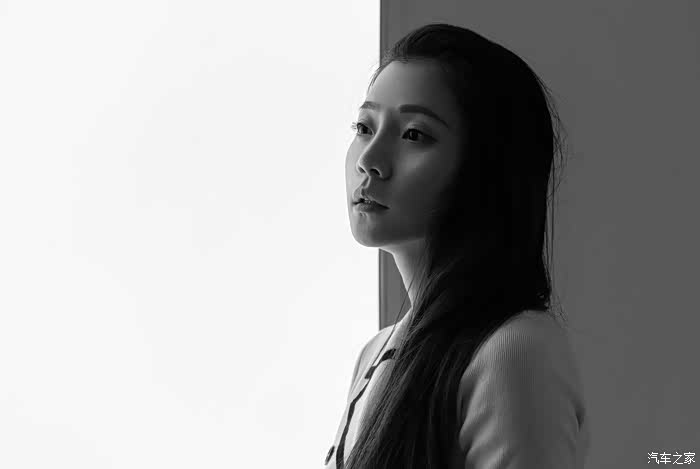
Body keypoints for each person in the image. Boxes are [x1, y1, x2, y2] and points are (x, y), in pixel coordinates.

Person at [325, 23, 591, 469]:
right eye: (364, 127)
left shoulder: (513, 351)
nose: (369, 161)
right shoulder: (375, 354)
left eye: (414, 135)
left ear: (486, 169)